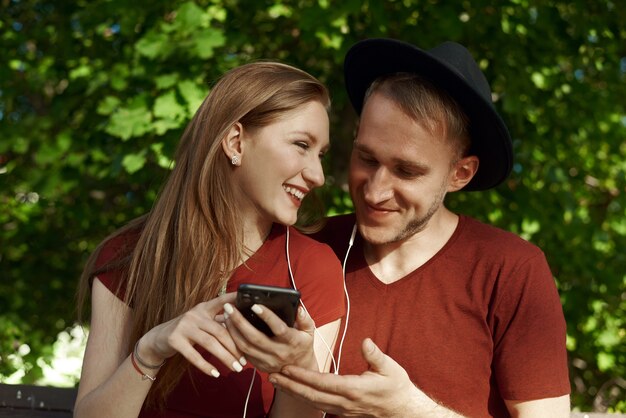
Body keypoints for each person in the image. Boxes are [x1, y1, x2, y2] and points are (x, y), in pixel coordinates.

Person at [269, 39, 571, 417]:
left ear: (460, 174)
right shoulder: (301, 251)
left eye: (407, 171)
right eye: (366, 157)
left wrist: (408, 409)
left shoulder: (510, 270)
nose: (375, 190)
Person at [75, 61, 346, 418]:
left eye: (321, 154)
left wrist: (300, 369)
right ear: (236, 142)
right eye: (301, 145)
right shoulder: (130, 255)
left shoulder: (312, 267)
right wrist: (152, 349)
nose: (317, 175)